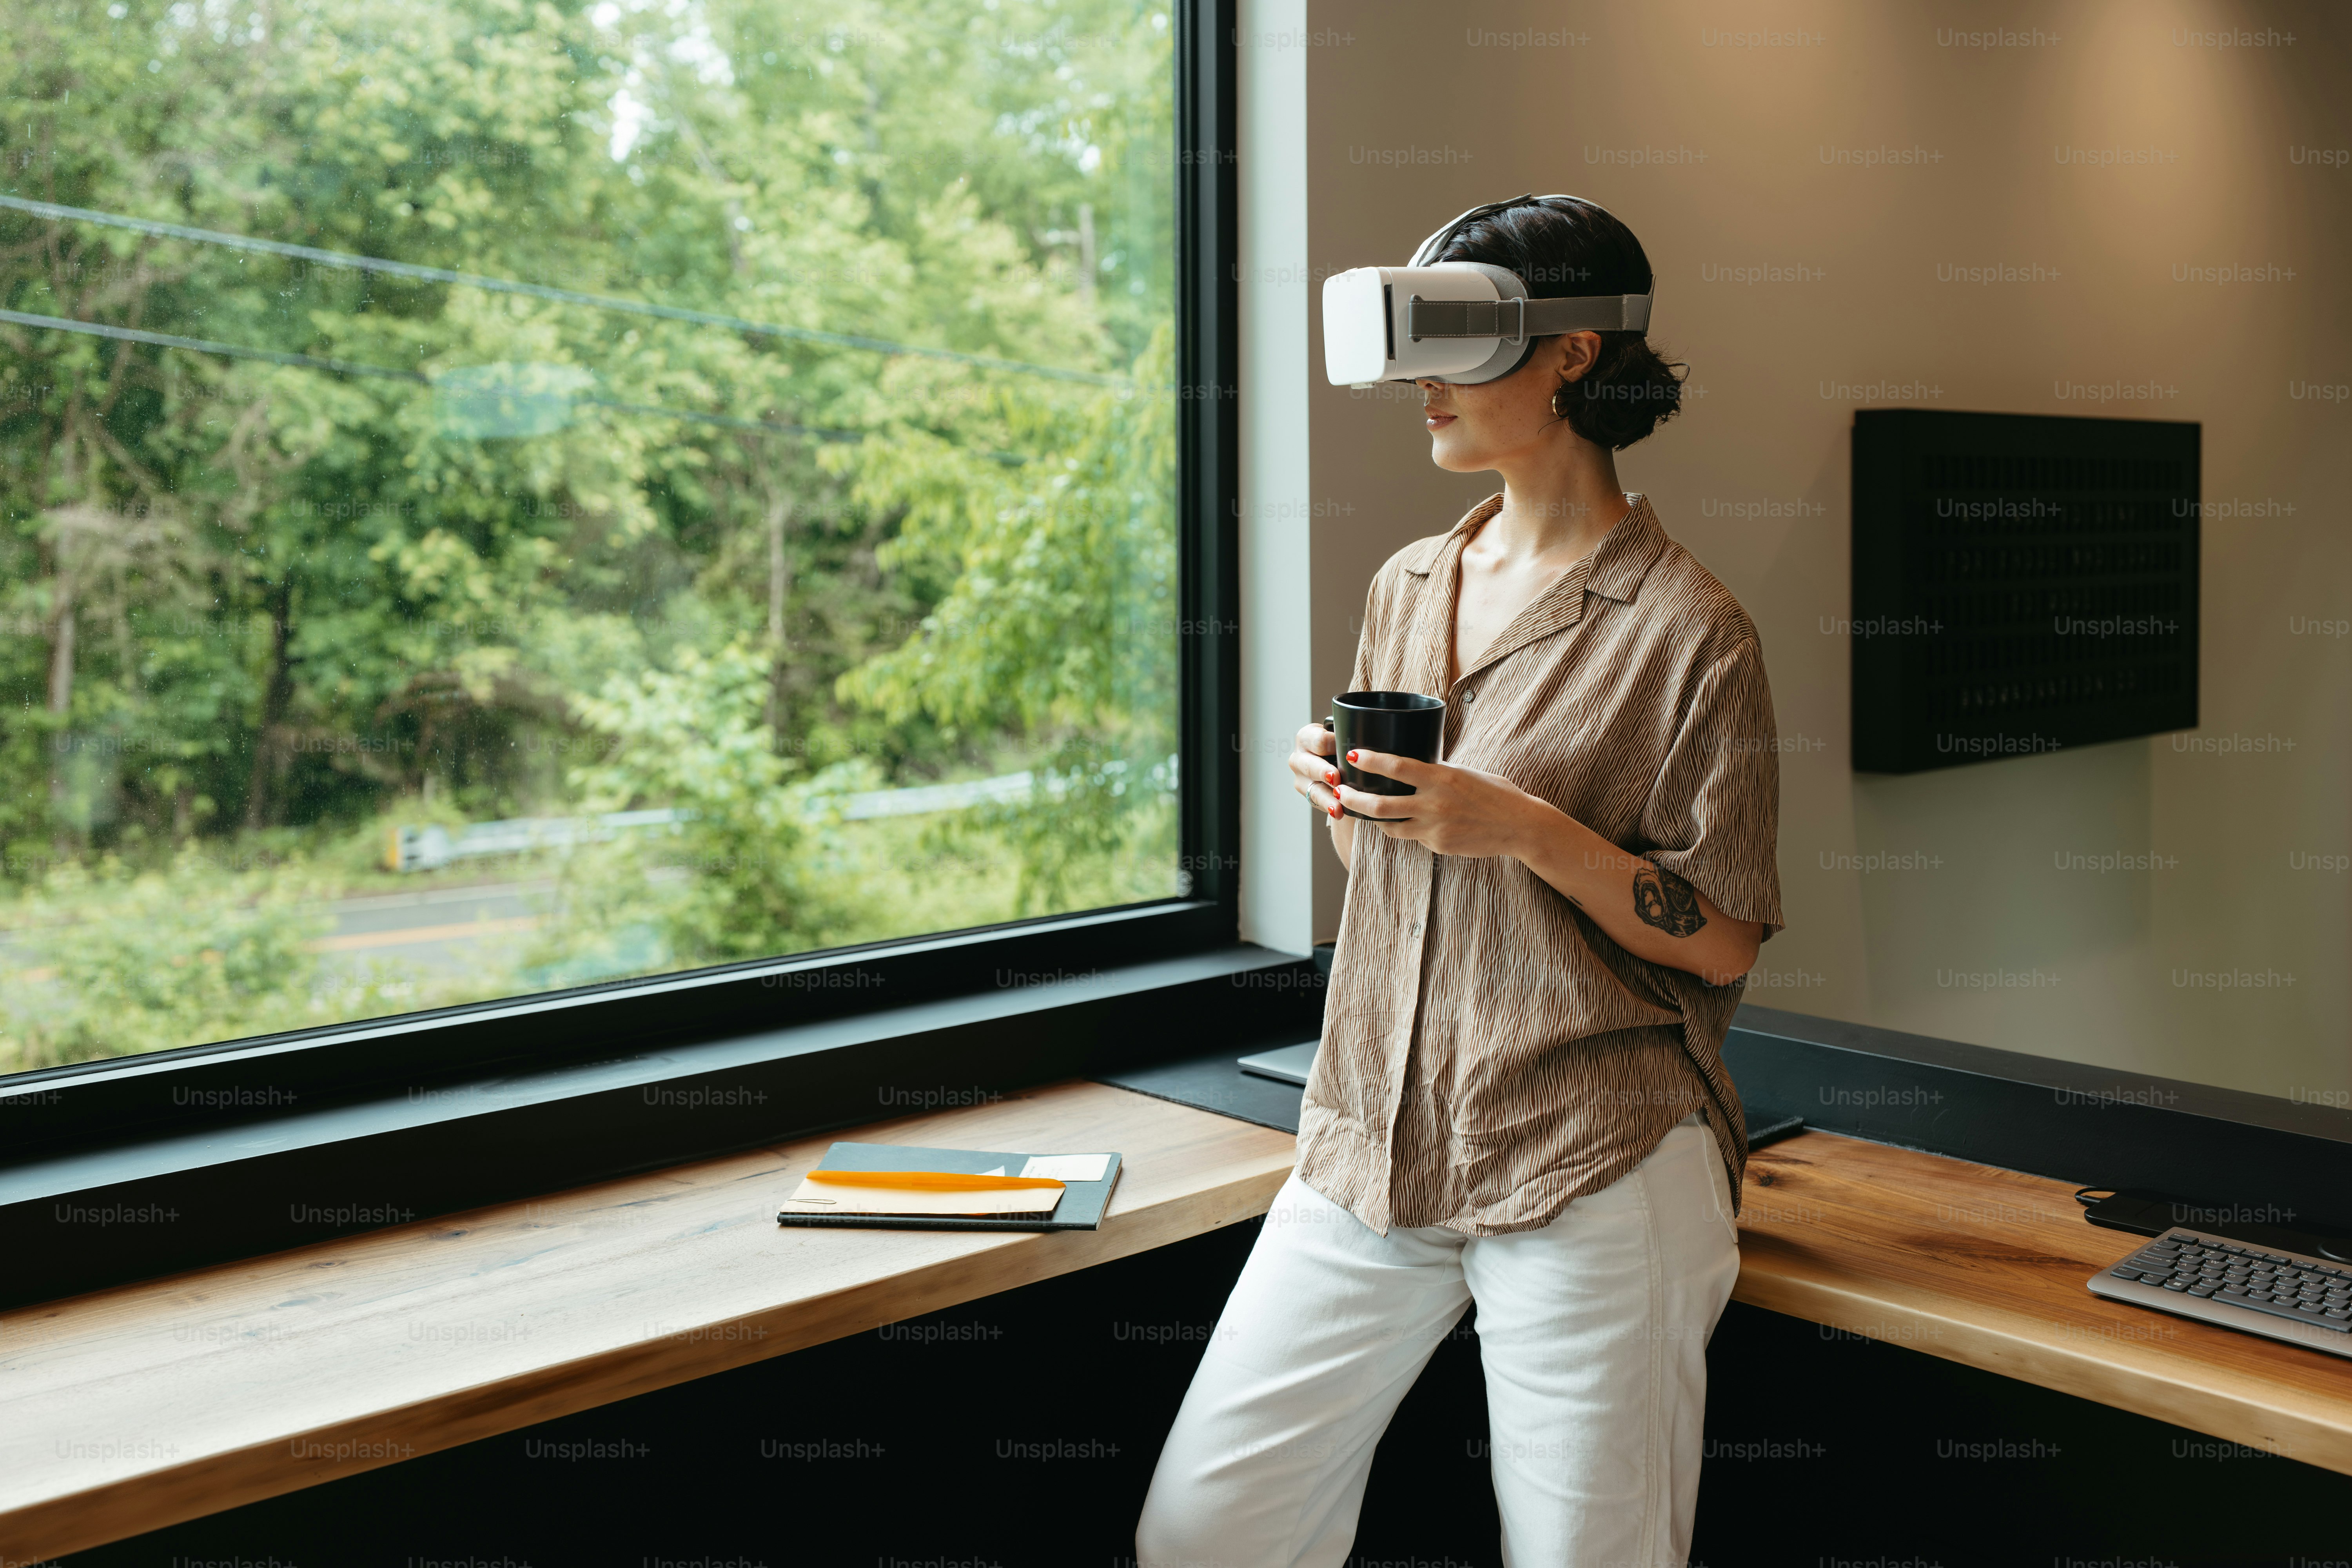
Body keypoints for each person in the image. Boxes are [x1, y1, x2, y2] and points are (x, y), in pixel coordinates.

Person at [1136, 195, 1784, 1568]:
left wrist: (1526, 828)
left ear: (1570, 355)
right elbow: (1398, 889)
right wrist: (1353, 805)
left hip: (1592, 1155)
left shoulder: (1691, 629)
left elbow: (1723, 940)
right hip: (1371, 1133)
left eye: (1453, 335)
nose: (1416, 380)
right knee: (1206, 1532)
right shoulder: (1409, 583)